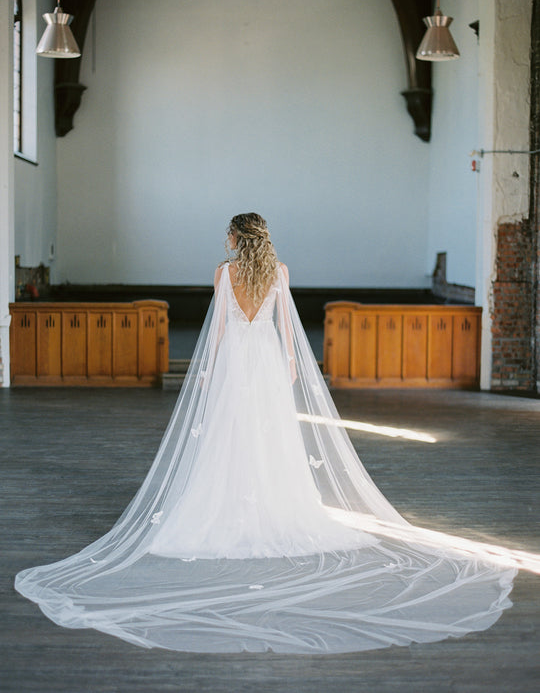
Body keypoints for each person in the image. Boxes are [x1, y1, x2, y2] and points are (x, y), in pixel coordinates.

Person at [15, 213, 518, 654]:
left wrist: (208, 370)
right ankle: (279, 505)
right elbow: (285, 325)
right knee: (273, 436)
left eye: (227, 233)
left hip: (236, 358)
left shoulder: (223, 273)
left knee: (227, 433)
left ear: (238, 237)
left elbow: (215, 332)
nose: (224, 238)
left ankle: (225, 504)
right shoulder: (278, 272)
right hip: (268, 359)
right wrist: (294, 367)